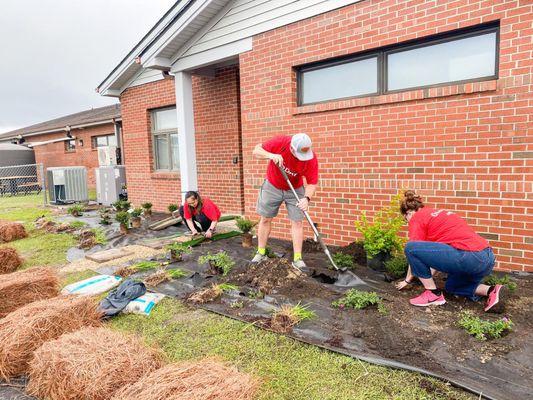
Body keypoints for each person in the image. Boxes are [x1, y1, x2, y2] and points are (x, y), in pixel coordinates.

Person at [395, 190, 503, 312]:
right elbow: (436, 258)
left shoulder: (417, 218)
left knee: (410, 247)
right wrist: (426, 275)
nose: (408, 223)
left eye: (406, 220)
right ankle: (491, 290)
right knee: (452, 287)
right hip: (486, 258)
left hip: (469, 256)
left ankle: (433, 294)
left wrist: (407, 280)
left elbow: (413, 250)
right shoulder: (438, 215)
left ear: (408, 213)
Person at [251, 133, 319, 270]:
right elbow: (256, 150)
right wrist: (271, 155)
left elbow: (312, 183)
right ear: (292, 148)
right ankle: (261, 252)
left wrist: (306, 199)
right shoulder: (281, 142)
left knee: (297, 222)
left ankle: (298, 259)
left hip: (295, 188)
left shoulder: (311, 159)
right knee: (265, 219)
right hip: (272, 185)